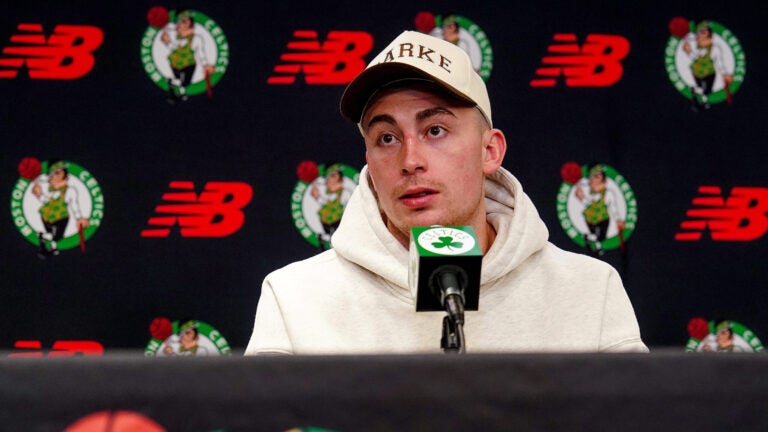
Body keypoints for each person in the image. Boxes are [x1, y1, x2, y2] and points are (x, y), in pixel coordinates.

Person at [245, 31, 647, 355]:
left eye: (435, 130)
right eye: (386, 137)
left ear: (490, 151)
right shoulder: (296, 298)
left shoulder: (588, 291)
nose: (410, 159)